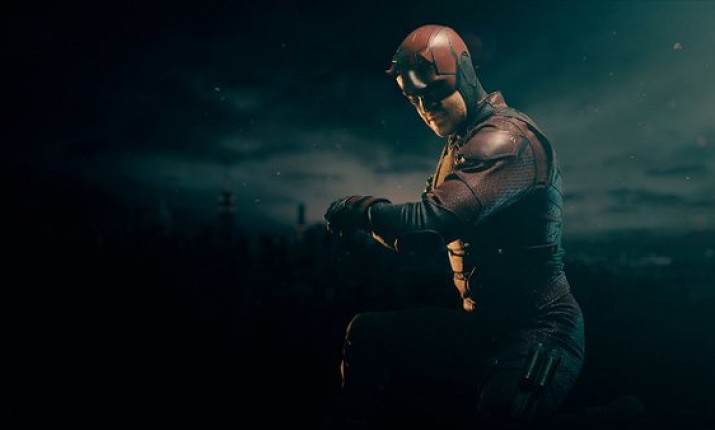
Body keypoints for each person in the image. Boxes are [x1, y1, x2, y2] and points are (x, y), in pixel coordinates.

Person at [324, 24, 585, 427]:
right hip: (483, 327)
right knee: (368, 335)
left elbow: (425, 228)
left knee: (500, 415)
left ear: (463, 75)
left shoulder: (504, 141)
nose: (425, 106)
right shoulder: (462, 141)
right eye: (414, 98)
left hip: (540, 330)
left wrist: (359, 210)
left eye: (434, 91)